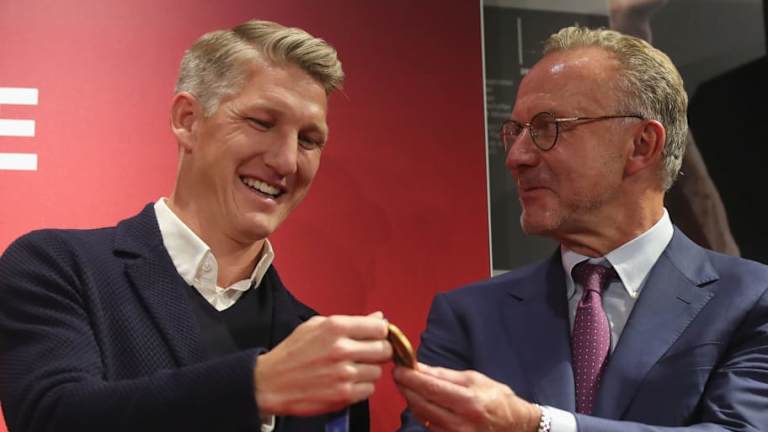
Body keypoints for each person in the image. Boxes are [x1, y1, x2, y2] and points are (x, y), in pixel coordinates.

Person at [0, 19, 392, 432]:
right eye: (262, 122)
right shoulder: (57, 268)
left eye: (308, 140)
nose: (286, 161)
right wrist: (254, 386)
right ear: (187, 119)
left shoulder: (323, 355)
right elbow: (56, 417)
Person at [394, 26, 768, 431]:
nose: (516, 157)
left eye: (547, 127)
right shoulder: (468, 318)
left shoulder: (750, 300)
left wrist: (536, 425)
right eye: (515, 132)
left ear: (641, 145)